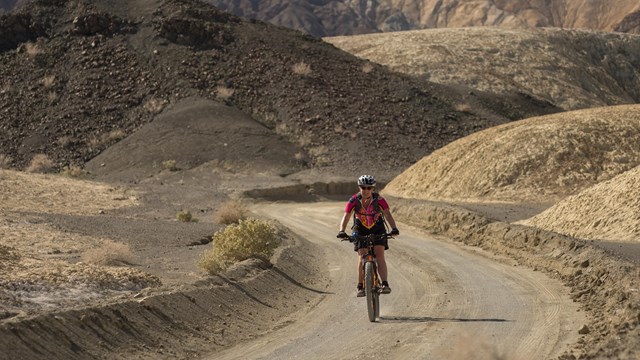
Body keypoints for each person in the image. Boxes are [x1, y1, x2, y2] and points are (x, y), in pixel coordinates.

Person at [337, 175, 399, 297]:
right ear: (359, 188)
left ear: (373, 189)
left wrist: (394, 228)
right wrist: (342, 230)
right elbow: (347, 215)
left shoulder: (380, 199)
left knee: (380, 254)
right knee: (362, 256)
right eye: (363, 187)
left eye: (369, 188)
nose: (366, 190)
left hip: (377, 227)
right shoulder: (353, 200)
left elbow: (387, 214)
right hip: (360, 228)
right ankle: (360, 286)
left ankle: (385, 284)